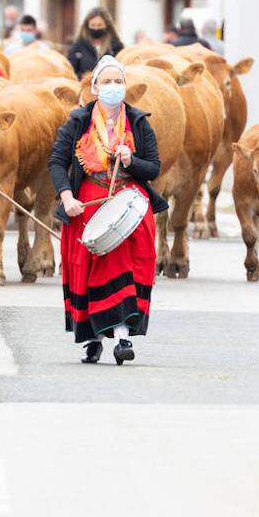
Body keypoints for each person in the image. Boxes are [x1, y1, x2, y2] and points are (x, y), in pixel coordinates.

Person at [49, 56, 164, 364]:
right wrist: (67, 196)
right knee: (89, 272)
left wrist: (130, 161)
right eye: (107, 82)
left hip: (128, 202)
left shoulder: (139, 123)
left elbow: (153, 168)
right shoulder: (77, 121)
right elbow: (58, 162)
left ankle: (124, 338)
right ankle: (94, 337)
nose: (113, 87)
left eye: (118, 81)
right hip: (88, 202)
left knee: (127, 268)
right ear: (95, 87)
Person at [67, 6, 123, 77]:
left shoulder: (116, 46)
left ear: (107, 25)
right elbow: (71, 72)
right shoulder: (78, 47)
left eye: (99, 25)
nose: (96, 28)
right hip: (84, 86)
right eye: (93, 25)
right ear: (87, 25)